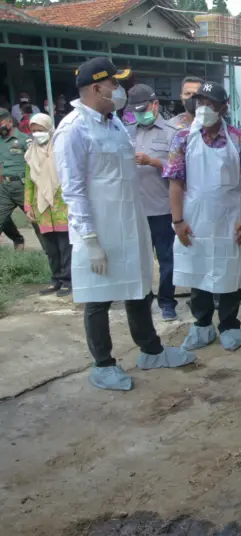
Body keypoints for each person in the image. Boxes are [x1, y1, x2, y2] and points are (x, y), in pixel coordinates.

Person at [54, 57, 195, 391]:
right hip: (100, 230)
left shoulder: (114, 123)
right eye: (115, 85)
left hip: (130, 223)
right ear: (96, 87)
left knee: (137, 287)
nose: (120, 91)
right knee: (99, 297)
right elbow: (72, 189)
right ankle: (103, 364)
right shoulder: (73, 129)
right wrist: (89, 238)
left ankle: (151, 350)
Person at [164, 81, 241, 352]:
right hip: (195, 219)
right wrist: (177, 220)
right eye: (200, 103)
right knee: (198, 272)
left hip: (230, 218)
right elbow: (175, 182)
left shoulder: (240, 140)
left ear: (224, 108)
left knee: (230, 273)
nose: (204, 109)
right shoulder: (182, 139)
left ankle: (229, 325)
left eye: (210, 104)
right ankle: (202, 325)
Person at [125, 84, 180, 321]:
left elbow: (180, 171)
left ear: (155, 105)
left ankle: (167, 301)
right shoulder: (126, 132)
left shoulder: (171, 133)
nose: (140, 114)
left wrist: (153, 162)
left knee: (167, 258)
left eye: (143, 109)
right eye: (135, 111)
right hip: (135, 210)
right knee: (139, 259)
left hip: (162, 208)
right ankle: (143, 300)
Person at [24, 113, 72, 297]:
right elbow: (29, 182)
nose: (37, 134)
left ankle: (68, 280)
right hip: (42, 207)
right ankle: (56, 279)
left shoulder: (61, 149)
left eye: (40, 130)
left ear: (49, 129)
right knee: (50, 248)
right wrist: (28, 206)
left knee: (65, 246)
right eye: (34, 131)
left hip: (61, 205)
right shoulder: (30, 153)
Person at [0, 108, 37, 247]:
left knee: (37, 221)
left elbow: (35, 162)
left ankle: (50, 253)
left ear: (9, 122)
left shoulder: (24, 139)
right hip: (4, 187)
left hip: (23, 187)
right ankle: (17, 240)